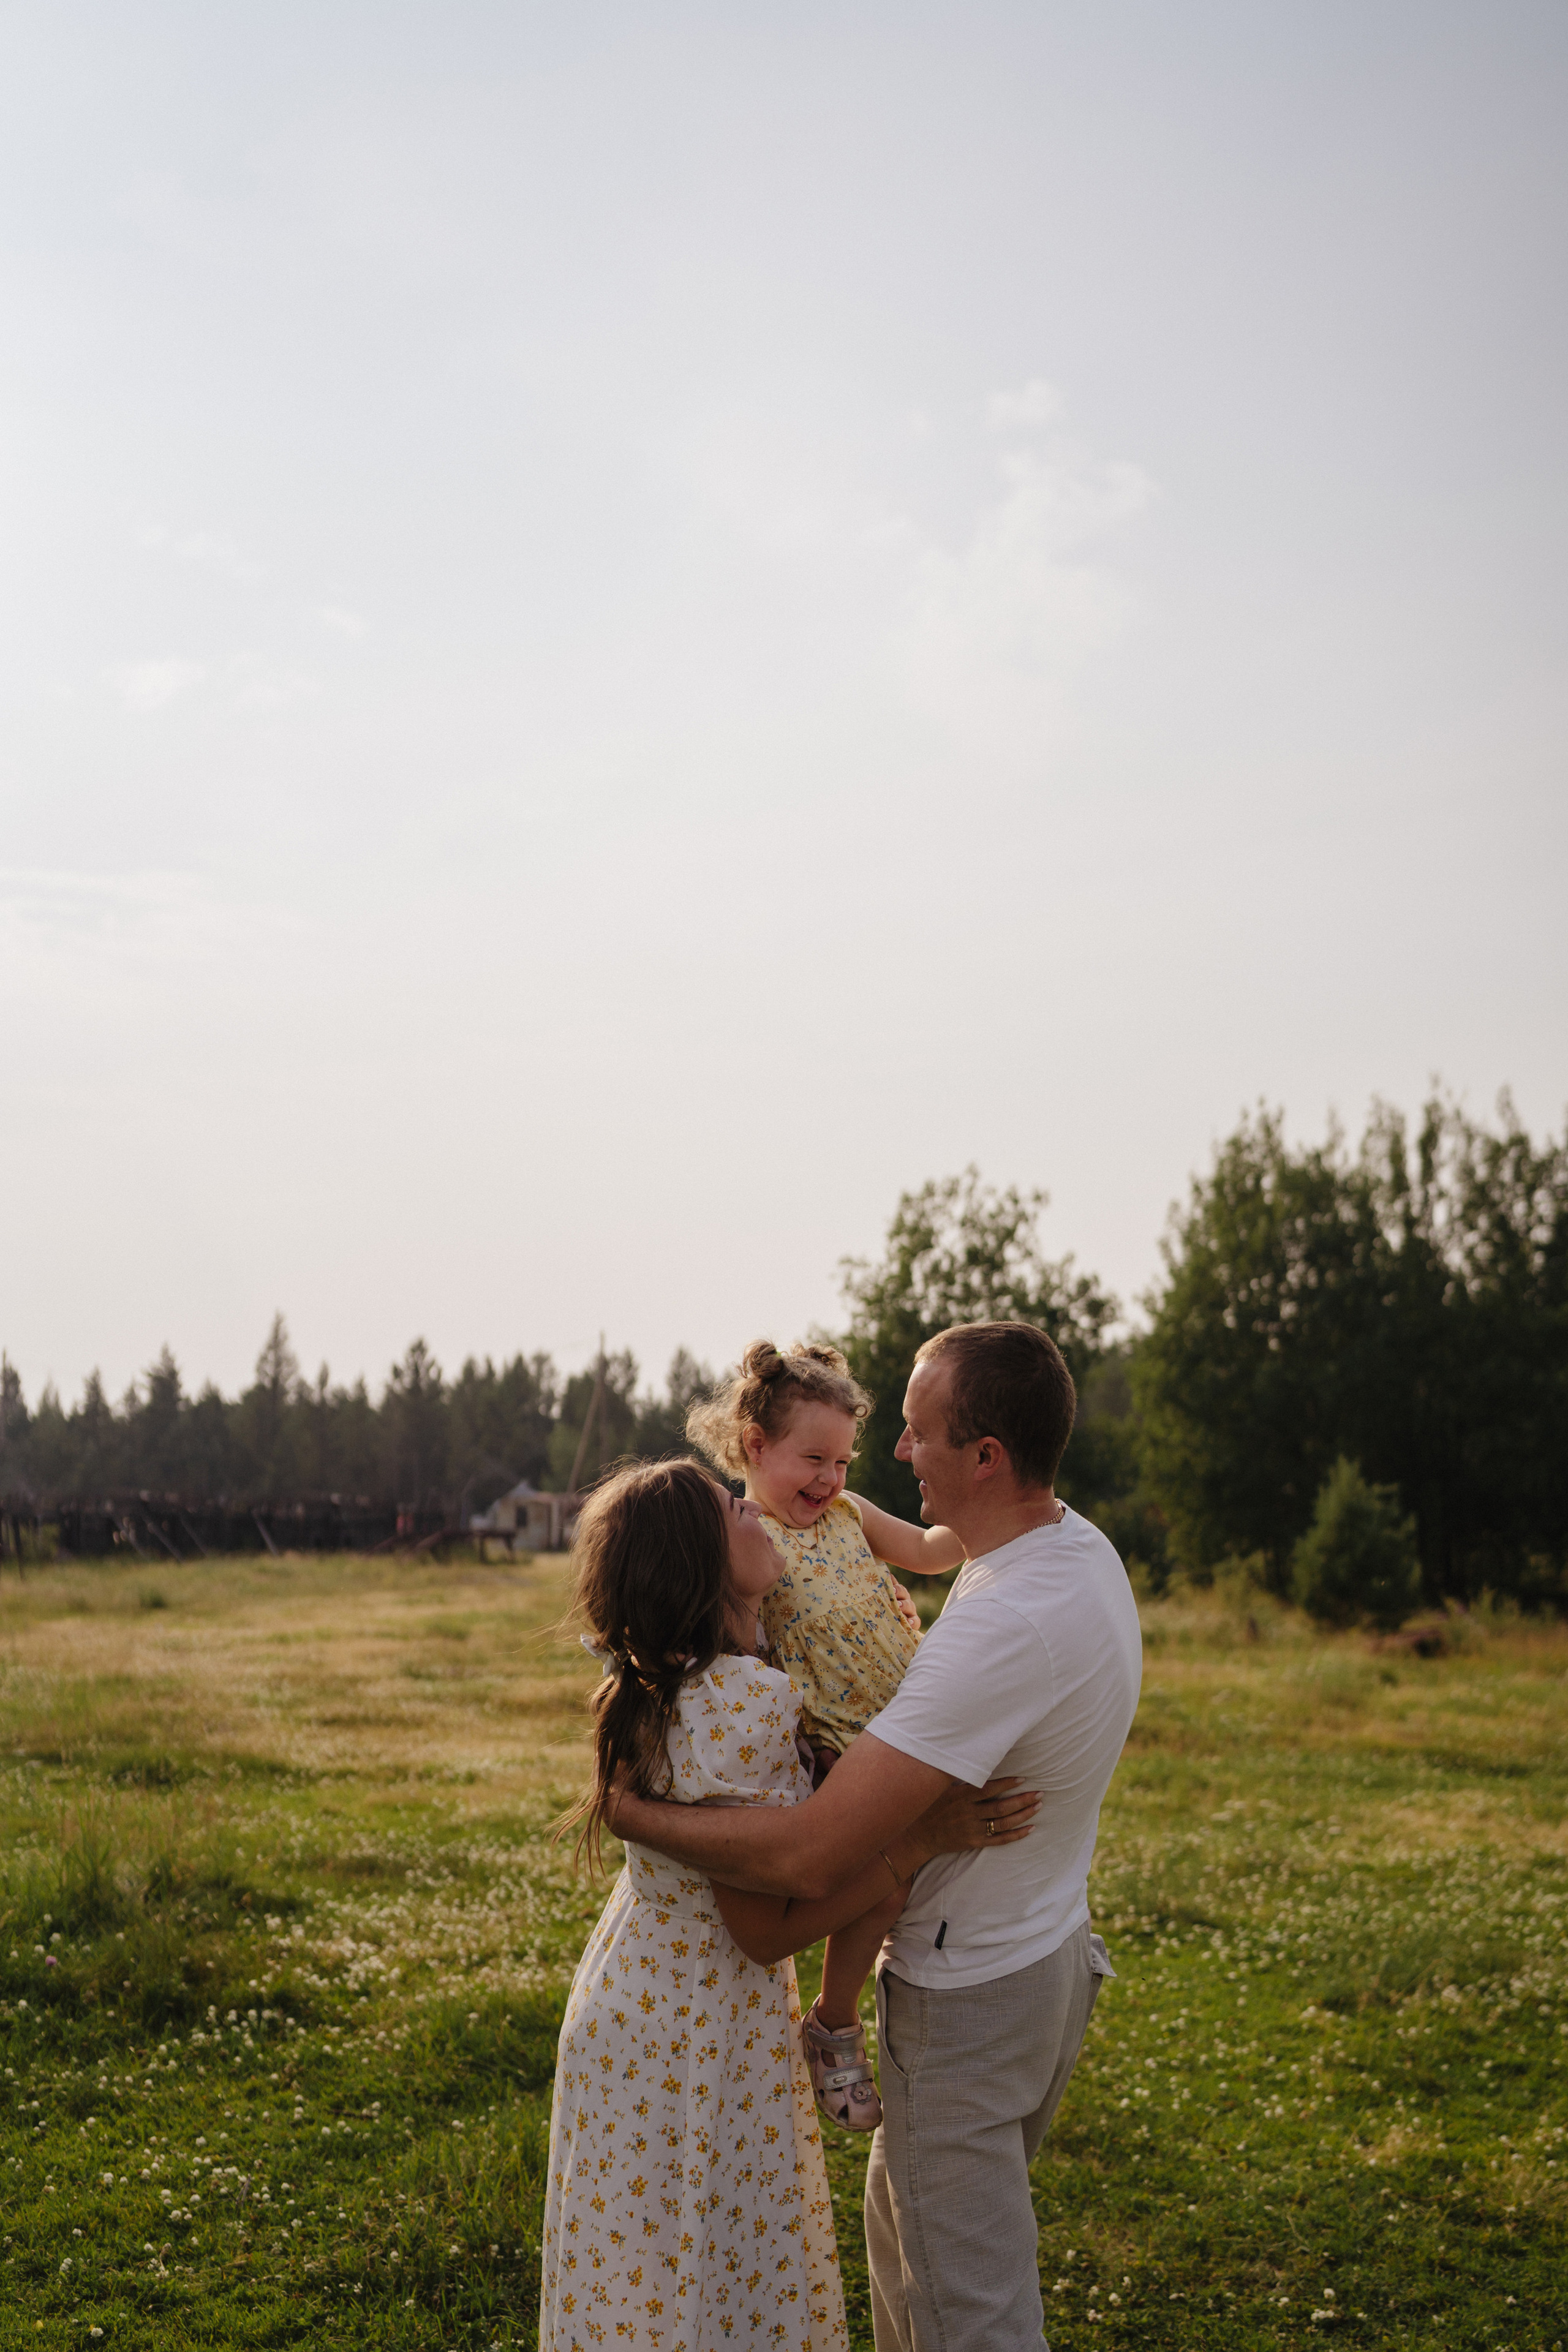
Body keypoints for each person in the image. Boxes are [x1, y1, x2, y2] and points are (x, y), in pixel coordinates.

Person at [611, 1322, 1143, 2352]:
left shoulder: (996, 1617)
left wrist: (630, 1813)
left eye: (913, 1435)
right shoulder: (1071, 1551)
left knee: (968, 2319)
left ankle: (833, 2018)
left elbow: (808, 1862)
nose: (894, 1457)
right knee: (910, 2269)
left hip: (969, 2003)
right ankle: (841, 2019)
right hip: (1037, 1958)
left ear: (985, 1457)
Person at [539, 1455, 1033, 2352]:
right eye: (730, 1508)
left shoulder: (670, 1681)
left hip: (632, 2001)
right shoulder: (745, 1704)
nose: (752, 1509)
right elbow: (762, 1934)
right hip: (699, 2023)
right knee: (712, 2274)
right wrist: (918, 1840)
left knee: (641, 2277)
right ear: (701, 1565)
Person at [686, 1338, 965, 2132]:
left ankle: (913, 2000)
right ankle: (835, 2022)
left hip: (902, 1706)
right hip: (840, 1742)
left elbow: (924, 1550)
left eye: (843, 1461)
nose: (830, 1479)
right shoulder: (741, 1544)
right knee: (888, 1880)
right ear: (754, 1446)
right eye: (813, 1458)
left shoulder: (846, 1514)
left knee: (942, 1858)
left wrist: (994, 1527)